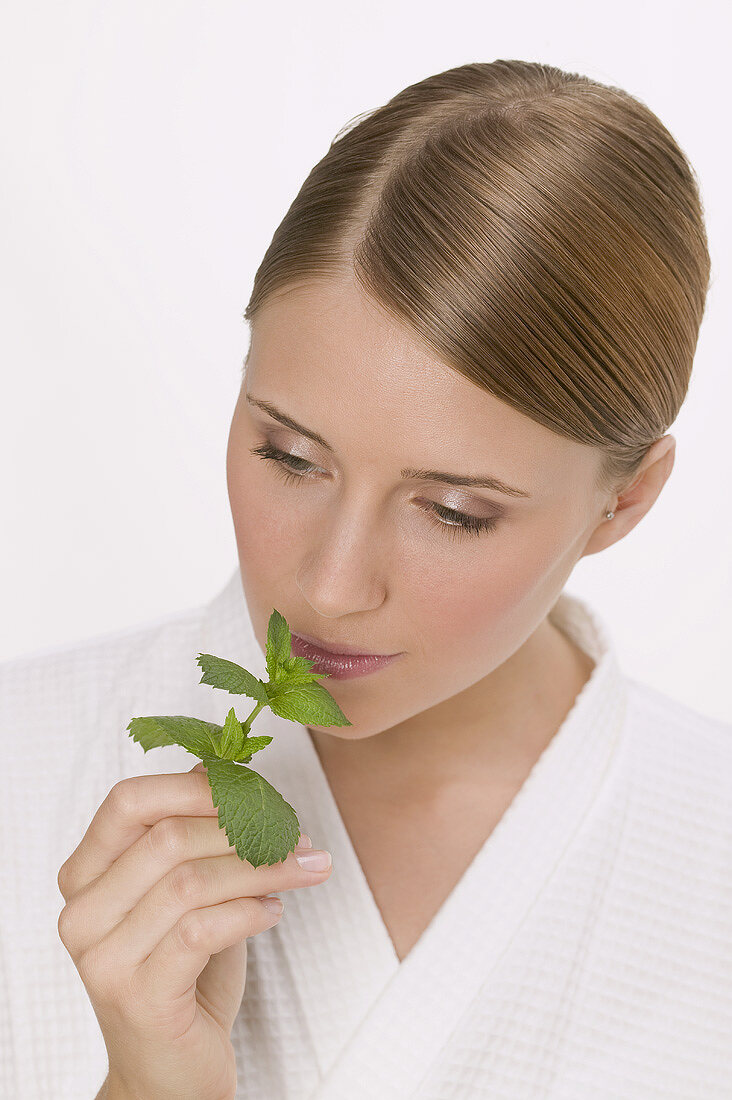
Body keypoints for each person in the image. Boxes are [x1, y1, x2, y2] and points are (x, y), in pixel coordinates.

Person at [2, 58, 730, 1100]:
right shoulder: (18, 761)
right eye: (289, 456)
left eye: (454, 510)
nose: (331, 586)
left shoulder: (711, 849)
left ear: (625, 500)